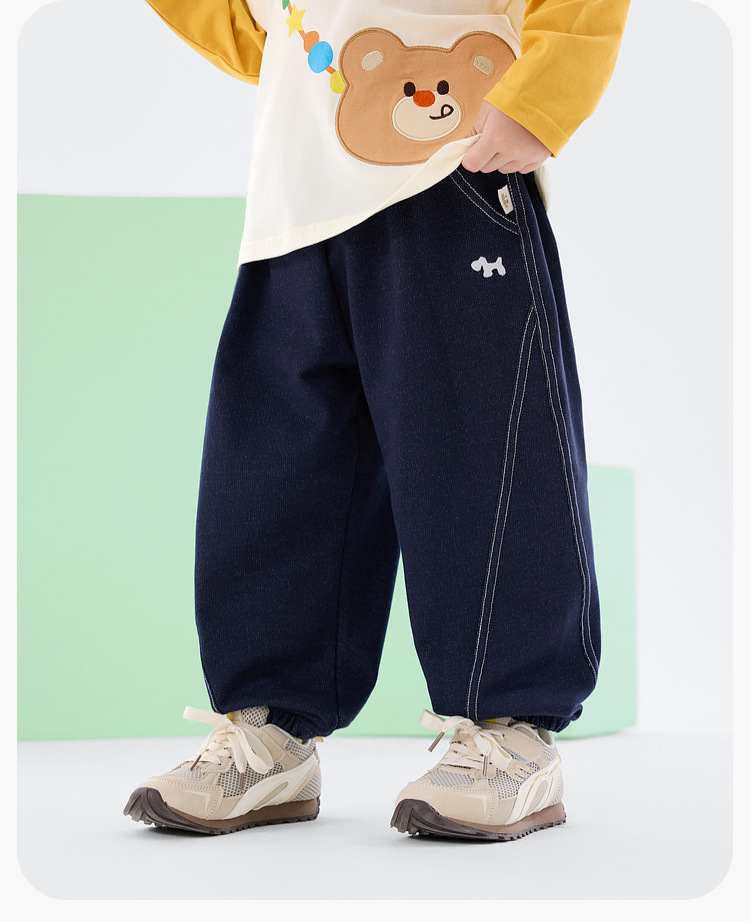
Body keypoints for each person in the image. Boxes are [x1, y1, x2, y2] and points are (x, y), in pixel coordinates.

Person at [124, 0, 630, 840]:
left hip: (454, 171)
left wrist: (545, 94)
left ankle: (510, 727)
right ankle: (272, 724)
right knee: (280, 460)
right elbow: (249, 30)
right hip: (298, 191)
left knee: (482, 450)